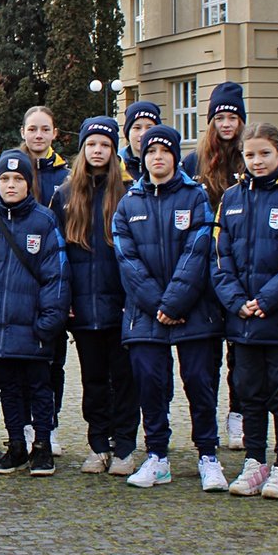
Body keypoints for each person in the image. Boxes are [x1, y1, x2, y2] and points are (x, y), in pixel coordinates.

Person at [112, 124, 227, 492]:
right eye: (150, 152)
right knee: (150, 383)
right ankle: (157, 455)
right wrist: (157, 304)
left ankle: (208, 454)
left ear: (176, 156)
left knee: (199, 382)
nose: (157, 158)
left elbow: (199, 251)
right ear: (142, 158)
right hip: (145, 313)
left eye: (164, 151)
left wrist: (175, 301)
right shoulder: (129, 203)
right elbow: (127, 259)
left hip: (194, 309)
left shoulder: (196, 197)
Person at [210, 123, 278, 500]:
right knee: (248, 392)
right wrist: (237, 300)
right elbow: (219, 255)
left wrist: (267, 299)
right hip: (242, 319)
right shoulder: (232, 197)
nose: (257, 161)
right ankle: (256, 459)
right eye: (250, 155)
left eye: (264, 154)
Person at [0, 150, 70, 478]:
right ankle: (17, 445)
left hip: (34, 330)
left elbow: (57, 276)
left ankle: (43, 447)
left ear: (28, 183)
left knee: (39, 388)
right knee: (8, 390)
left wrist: (48, 322)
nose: (10, 185)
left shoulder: (44, 221)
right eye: (4, 179)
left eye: (17, 179)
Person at [50, 117, 140, 477]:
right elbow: (58, 254)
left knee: (125, 379)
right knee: (93, 380)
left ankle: (125, 446)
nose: (98, 151)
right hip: (84, 306)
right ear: (83, 150)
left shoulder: (130, 193)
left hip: (122, 304)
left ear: (113, 150)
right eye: (91, 145)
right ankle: (98, 444)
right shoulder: (67, 194)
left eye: (104, 145)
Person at [183, 81, 248, 451]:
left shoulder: (248, 158)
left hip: (239, 268)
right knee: (205, 360)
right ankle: (203, 424)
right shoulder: (194, 162)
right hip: (204, 272)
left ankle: (238, 418)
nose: (227, 125)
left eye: (233, 118)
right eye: (220, 117)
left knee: (241, 358)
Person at [17, 105, 70, 453]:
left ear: (54, 134)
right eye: (32, 129)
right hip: (16, 276)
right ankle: (20, 424)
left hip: (53, 273)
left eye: (44, 129)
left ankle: (47, 424)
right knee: (18, 359)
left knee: (53, 359)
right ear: (23, 132)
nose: (38, 135)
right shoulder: (8, 168)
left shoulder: (67, 176)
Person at [120, 101, 162, 183]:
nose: (143, 134)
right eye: (137, 128)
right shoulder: (115, 165)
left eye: (149, 128)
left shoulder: (170, 166)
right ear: (127, 132)